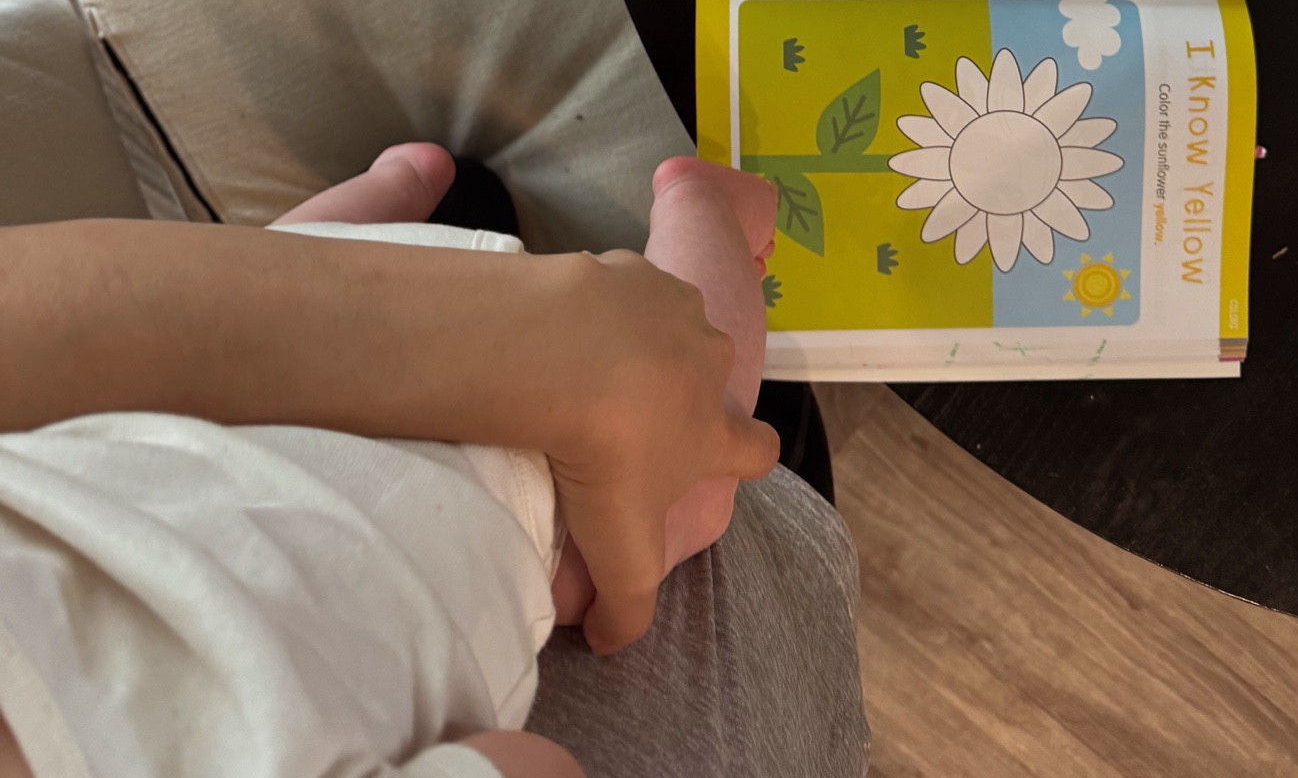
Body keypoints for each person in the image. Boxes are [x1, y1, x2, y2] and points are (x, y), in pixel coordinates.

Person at [0, 145, 867, 777]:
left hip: (514, 483)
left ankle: (702, 206)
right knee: (278, 269)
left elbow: (525, 762)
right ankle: (398, 185)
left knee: (695, 495)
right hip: (267, 333)